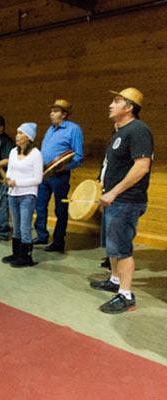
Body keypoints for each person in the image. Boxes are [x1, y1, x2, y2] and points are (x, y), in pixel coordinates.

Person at [90, 88, 153, 314]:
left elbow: (141, 166)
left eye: (116, 101)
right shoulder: (119, 132)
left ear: (129, 107)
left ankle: (126, 296)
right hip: (114, 199)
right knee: (113, 246)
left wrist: (114, 192)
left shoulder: (138, 130)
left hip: (127, 200)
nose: (110, 105)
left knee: (123, 248)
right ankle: (115, 279)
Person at [34, 99, 84, 252]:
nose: (51, 114)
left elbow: (78, 156)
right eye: (51, 111)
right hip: (44, 174)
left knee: (60, 209)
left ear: (64, 114)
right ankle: (41, 235)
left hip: (60, 176)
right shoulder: (50, 129)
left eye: (55, 111)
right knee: (40, 205)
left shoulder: (74, 129)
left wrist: (65, 168)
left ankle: (58, 241)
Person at [2, 123, 43, 267]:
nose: (17, 136)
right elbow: (10, 171)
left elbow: (38, 179)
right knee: (16, 225)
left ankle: (26, 257)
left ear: (29, 137)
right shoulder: (13, 151)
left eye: (21, 133)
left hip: (27, 195)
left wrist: (17, 182)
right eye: (17, 132)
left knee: (25, 227)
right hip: (13, 193)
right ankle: (16, 253)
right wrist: (7, 179)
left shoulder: (36, 154)